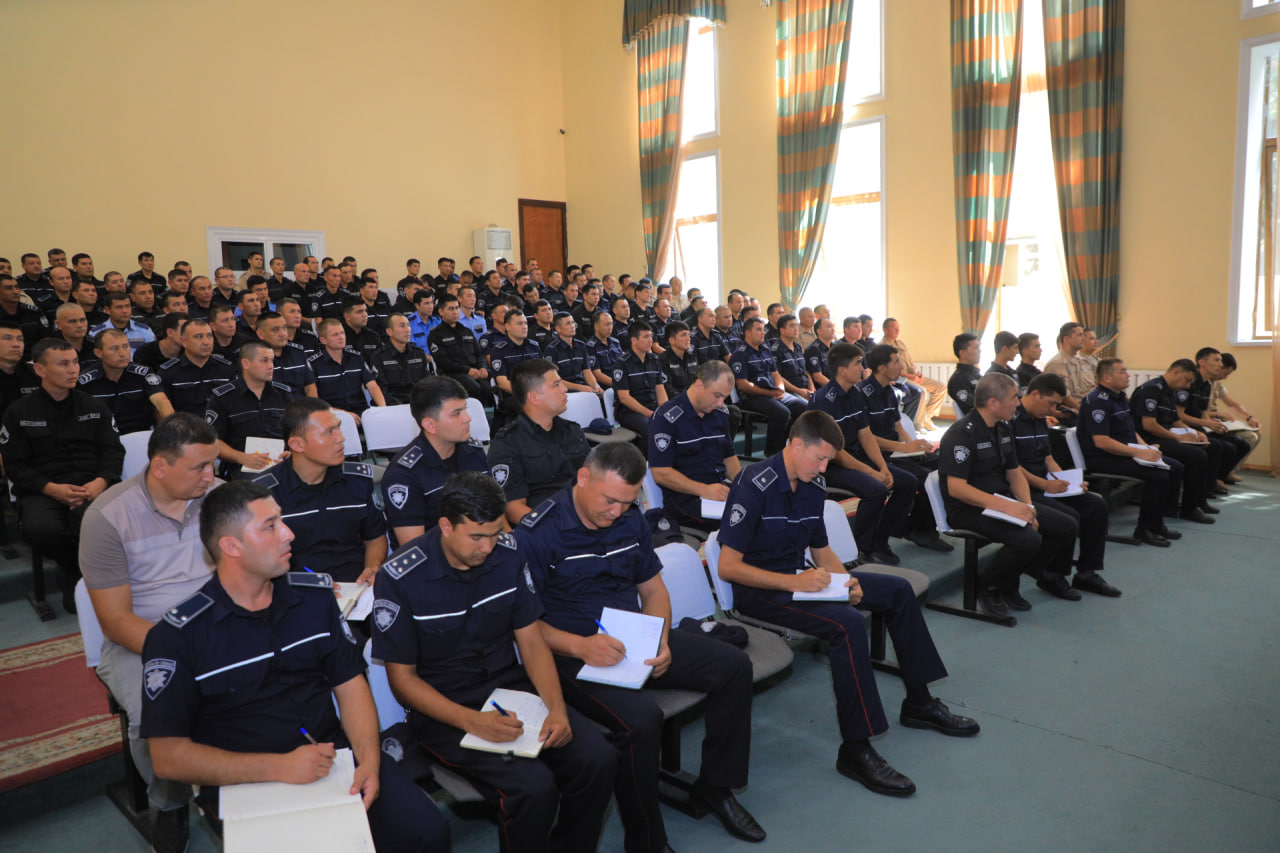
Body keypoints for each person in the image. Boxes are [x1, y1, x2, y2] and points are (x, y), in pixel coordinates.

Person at [138, 480, 449, 853]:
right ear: (231, 546)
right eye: (270, 526)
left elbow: (351, 687)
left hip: (333, 759)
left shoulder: (314, 599)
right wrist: (278, 767)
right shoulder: (178, 637)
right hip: (245, 782)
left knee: (426, 833)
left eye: (282, 520)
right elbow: (168, 757)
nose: (289, 533)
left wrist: (369, 760)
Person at [717, 411, 979, 798]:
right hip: (760, 591)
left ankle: (919, 702)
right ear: (796, 445)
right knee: (847, 624)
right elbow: (727, 567)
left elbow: (821, 550)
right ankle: (855, 749)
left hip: (801, 580)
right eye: (820, 458)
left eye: (829, 461)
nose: (824, 468)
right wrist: (795, 582)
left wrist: (847, 583)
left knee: (897, 591)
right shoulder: (753, 485)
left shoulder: (812, 482)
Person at [517, 442, 766, 848]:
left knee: (733, 667)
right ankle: (646, 839)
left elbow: (653, 590)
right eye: (609, 500)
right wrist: (581, 646)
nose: (617, 511)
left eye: (627, 502)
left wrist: (659, 638)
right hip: (571, 656)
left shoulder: (630, 519)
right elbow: (523, 626)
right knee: (642, 720)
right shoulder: (537, 534)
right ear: (584, 478)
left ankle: (715, 789)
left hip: (633, 640)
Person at [372, 473, 616, 852]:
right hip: (446, 711)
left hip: (510, 690)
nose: (488, 547)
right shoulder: (401, 577)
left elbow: (531, 642)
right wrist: (472, 721)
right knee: (534, 788)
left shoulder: (509, 553)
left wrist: (556, 709)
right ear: (445, 526)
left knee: (598, 759)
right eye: (476, 537)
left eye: (495, 533)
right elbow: (403, 681)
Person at [79, 414, 219, 853]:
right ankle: (170, 803)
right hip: (142, 640)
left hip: (218, 628)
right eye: (199, 467)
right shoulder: (108, 516)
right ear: (160, 466)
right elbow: (116, 621)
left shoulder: (219, 499)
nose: (211, 476)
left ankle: (234, 787)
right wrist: (186, 654)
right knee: (153, 714)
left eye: (213, 463)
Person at [939, 373, 1081, 618]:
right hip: (969, 508)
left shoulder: (1002, 428)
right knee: (1028, 539)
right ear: (993, 402)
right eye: (1014, 398)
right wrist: (1008, 507)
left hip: (1000, 501)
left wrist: (1028, 506)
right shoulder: (962, 434)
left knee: (1066, 526)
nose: (1018, 403)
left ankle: (1008, 579)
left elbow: (1014, 473)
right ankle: (988, 586)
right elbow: (957, 488)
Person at [1, 338, 125, 611]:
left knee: (95, 522)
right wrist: (51, 489)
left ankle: (81, 579)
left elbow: (113, 451)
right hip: (44, 489)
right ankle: (77, 573)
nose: (73, 369)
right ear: (40, 370)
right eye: (63, 364)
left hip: (92, 485)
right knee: (42, 530)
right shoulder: (18, 413)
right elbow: (15, 466)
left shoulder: (94, 407)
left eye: (75, 362)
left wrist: (100, 482)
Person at [1010, 374, 1122, 598]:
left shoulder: (1040, 418)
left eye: (1056, 405)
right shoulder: (1010, 419)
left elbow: (1048, 458)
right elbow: (1012, 467)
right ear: (1035, 394)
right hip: (1022, 488)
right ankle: (1052, 575)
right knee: (1070, 516)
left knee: (1096, 505)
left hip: (1045, 483)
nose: (1053, 410)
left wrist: (1069, 482)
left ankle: (1086, 573)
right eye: (1051, 403)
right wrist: (1045, 484)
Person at [254, 398, 387, 584]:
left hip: (357, 585)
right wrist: (311, 586)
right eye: (329, 432)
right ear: (297, 444)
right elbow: (259, 563)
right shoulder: (265, 494)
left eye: (338, 428)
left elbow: (375, 538)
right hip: (296, 589)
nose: (341, 438)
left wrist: (372, 567)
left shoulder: (358, 481)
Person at [807, 343, 915, 564]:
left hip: (855, 458)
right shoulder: (823, 400)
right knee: (876, 489)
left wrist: (882, 467)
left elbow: (865, 435)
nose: (862, 368)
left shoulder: (855, 394)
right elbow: (835, 452)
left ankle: (880, 541)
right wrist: (872, 472)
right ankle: (861, 550)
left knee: (907, 482)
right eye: (857, 364)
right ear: (842, 370)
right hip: (830, 465)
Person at [1076, 358, 1185, 547]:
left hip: (1123, 452)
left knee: (1174, 467)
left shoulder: (1120, 398)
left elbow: (1131, 431)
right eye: (1122, 372)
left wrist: (1146, 448)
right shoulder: (1097, 402)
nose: (1127, 375)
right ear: (1107, 378)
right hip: (1102, 457)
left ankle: (1157, 524)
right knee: (1158, 475)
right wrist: (1138, 453)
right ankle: (1145, 529)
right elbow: (1102, 442)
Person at [857, 345, 954, 554]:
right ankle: (915, 531)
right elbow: (867, 437)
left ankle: (919, 526)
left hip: (897, 450)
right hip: (878, 454)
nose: (902, 366)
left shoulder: (890, 391)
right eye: (896, 362)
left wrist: (915, 446)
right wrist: (904, 447)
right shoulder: (862, 394)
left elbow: (898, 426)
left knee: (943, 466)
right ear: (882, 368)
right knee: (923, 478)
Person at [380, 377, 489, 547]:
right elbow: (414, 546)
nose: (467, 418)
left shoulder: (473, 451)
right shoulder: (403, 475)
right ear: (430, 425)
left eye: (465, 410)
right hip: (436, 556)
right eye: (457, 413)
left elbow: (493, 511)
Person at [487, 360, 591, 526]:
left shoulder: (573, 431)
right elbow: (514, 509)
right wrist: (557, 526)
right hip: (545, 526)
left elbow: (591, 481)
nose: (564, 389)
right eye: (556, 385)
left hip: (585, 516)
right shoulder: (507, 443)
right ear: (533, 397)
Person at [649, 360, 741, 532]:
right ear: (699, 385)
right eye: (717, 396)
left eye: (724, 397)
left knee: (763, 506)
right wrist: (704, 490)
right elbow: (661, 473)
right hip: (685, 499)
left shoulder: (720, 414)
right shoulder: (666, 418)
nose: (720, 403)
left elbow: (728, 457)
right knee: (740, 522)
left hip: (717, 491)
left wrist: (742, 485)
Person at [1130, 359, 1218, 524]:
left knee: (1209, 448)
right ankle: (1189, 508)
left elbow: (1176, 421)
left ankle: (1199, 502)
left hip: (1164, 435)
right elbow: (1149, 425)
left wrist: (1196, 433)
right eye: (1187, 380)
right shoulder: (1151, 389)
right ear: (1176, 372)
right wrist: (1178, 437)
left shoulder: (1170, 391)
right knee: (1196, 456)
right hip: (1148, 440)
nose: (1188, 386)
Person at [206, 341, 299, 477]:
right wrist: (242, 457)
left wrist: (292, 451)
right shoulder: (224, 397)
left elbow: (297, 431)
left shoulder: (283, 394)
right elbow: (212, 441)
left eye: (272, 361)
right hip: (242, 466)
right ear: (246, 364)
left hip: (282, 463)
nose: (271, 366)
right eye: (264, 361)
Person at [731, 317, 808, 455]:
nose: (763, 333)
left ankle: (786, 446)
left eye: (763, 330)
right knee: (782, 412)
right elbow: (743, 385)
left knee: (803, 407)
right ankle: (773, 452)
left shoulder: (765, 350)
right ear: (748, 333)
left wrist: (780, 389)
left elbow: (776, 374)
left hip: (773, 392)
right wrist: (770, 393)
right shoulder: (740, 354)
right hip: (753, 396)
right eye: (758, 330)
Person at [1179, 347, 1251, 487]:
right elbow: (1179, 415)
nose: (1220, 364)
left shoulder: (1207, 384)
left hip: (1200, 425)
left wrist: (1212, 425)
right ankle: (1210, 483)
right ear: (1202, 362)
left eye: (1221, 361)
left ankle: (1218, 478)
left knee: (1241, 444)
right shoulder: (1190, 382)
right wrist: (1208, 424)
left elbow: (1203, 411)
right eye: (1217, 360)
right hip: (1185, 426)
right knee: (1221, 446)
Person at [78, 328, 174, 434]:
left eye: (125, 347)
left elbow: (161, 401)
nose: (122, 354)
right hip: (104, 436)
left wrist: (173, 429)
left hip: (140, 433)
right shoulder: (85, 381)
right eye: (115, 349)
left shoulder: (143, 373)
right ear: (98, 353)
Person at [157, 318, 238, 416]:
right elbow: (162, 412)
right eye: (199, 337)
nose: (206, 342)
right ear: (184, 341)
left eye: (209, 336)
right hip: (185, 424)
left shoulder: (226, 368)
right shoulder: (169, 372)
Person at [309, 317, 385, 419]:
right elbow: (314, 401)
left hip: (361, 413)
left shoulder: (356, 358)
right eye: (335, 335)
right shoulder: (314, 364)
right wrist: (345, 415)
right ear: (323, 340)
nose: (341, 337)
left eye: (342, 333)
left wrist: (383, 409)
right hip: (332, 416)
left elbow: (373, 386)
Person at [428, 293, 493, 407]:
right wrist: (467, 370)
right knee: (474, 387)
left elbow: (479, 354)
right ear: (441, 311)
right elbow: (443, 362)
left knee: (490, 386)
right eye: (451, 309)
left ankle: (492, 416)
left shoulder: (466, 331)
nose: (455, 312)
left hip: (475, 370)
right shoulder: (435, 335)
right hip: (454, 373)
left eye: (457, 308)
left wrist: (483, 367)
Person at [1205, 352, 1261, 481]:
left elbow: (1232, 404)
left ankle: (1228, 472)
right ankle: (1220, 475)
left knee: (1256, 433)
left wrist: (1249, 417)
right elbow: (1193, 412)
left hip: (1216, 420)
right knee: (1249, 437)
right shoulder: (1198, 383)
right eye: (1226, 373)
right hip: (1206, 423)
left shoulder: (1217, 384)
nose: (1226, 377)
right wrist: (1217, 414)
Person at [611, 320, 669, 439]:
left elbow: (660, 389)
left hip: (652, 407)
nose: (650, 340)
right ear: (634, 340)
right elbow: (624, 398)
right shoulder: (622, 364)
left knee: (677, 423)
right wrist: (650, 414)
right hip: (630, 412)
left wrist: (665, 410)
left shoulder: (654, 360)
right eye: (646, 337)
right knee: (654, 429)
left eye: (651, 336)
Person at [490, 310, 543, 421]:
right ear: (507, 327)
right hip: (513, 394)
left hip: (536, 391)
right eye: (519, 323)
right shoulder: (499, 350)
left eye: (525, 323)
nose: (524, 327)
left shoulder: (534, 346)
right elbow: (502, 382)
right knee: (531, 406)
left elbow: (543, 374)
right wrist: (526, 393)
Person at [255, 310, 317, 398]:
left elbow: (310, 387)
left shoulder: (298, 352)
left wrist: (311, 406)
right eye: (276, 330)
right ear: (261, 333)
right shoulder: (254, 357)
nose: (283, 334)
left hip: (302, 404)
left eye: (284, 328)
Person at [372, 314, 430, 406]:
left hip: (417, 403)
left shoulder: (419, 353)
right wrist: (400, 407)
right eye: (402, 326)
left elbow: (426, 383)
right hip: (392, 405)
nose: (408, 330)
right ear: (389, 331)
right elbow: (382, 389)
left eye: (408, 325)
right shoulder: (379, 356)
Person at [1042, 322, 1093, 416]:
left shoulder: (1080, 361)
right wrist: (1085, 410)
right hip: (1070, 412)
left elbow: (1088, 388)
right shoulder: (1057, 363)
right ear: (1066, 339)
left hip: (1085, 405)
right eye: (1079, 335)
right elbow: (1064, 397)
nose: (1083, 338)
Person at [544, 312, 601, 395]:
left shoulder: (581, 345)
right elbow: (554, 379)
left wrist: (595, 386)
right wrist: (580, 388)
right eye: (568, 323)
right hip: (564, 391)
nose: (572, 326)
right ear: (558, 329)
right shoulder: (551, 350)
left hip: (583, 387)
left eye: (573, 322)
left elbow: (587, 371)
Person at [0, 273, 50, 359]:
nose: (15, 291)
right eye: (9, 288)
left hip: (33, 359)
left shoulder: (34, 312)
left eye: (17, 287)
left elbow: (45, 341)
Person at [769, 314, 814, 401]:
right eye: (792, 326)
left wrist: (811, 387)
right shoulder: (776, 350)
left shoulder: (798, 347)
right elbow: (777, 376)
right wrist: (799, 391)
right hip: (790, 392)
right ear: (782, 330)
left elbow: (805, 370)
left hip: (806, 390)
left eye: (796, 325)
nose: (796, 329)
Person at [656, 319, 698, 397]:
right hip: (677, 401)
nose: (688, 339)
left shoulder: (692, 357)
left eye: (688, 335)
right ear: (672, 340)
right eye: (683, 335)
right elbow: (668, 391)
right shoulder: (663, 360)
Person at [586, 311, 625, 389]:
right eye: (607, 324)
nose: (610, 327)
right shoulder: (590, 347)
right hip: (608, 387)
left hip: (622, 381)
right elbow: (597, 375)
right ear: (596, 326)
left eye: (611, 324)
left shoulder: (616, 343)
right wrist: (619, 385)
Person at [946, 333, 982, 415]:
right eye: (976, 348)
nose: (980, 351)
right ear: (962, 353)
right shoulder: (958, 380)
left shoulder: (976, 374)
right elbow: (973, 410)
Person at [341, 297, 383, 366]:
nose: (365, 315)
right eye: (359, 312)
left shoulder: (372, 336)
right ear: (347, 316)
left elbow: (381, 361)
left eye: (365, 311)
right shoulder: (339, 337)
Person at [805, 317, 836, 388]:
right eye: (829, 327)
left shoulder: (835, 347)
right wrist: (836, 388)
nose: (833, 329)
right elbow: (818, 377)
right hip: (825, 389)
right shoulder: (814, 349)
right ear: (819, 331)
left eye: (833, 326)